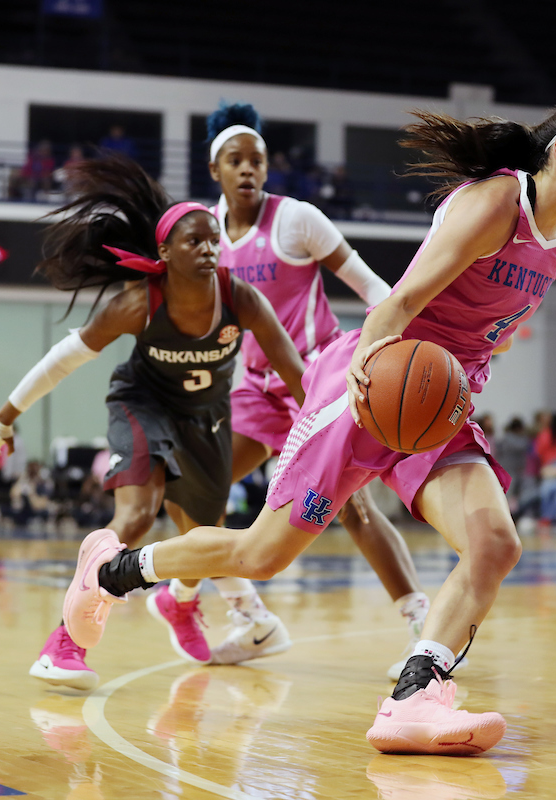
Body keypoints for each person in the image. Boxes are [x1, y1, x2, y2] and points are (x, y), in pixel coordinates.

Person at [60, 96, 556, 754]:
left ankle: (413, 700)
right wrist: (361, 372)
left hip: (434, 404)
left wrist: (474, 367)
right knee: (261, 554)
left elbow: (486, 326)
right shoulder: (497, 203)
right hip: (372, 379)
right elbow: (404, 297)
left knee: (494, 545)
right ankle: (110, 573)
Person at [0, 153, 307, 692]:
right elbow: (63, 358)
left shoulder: (240, 298)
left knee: (204, 536)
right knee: (135, 514)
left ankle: (179, 606)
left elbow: (299, 379)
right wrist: (3, 418)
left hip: (206, 419)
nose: (207, 249)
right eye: (193, 242)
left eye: (213, 240)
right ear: (164, 252)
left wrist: (334, 440)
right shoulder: (138, 303)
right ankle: (65, 644)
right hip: (141, 404)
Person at [203, 102, 430, 676]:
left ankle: (421, 624)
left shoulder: (297, 219)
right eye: (236, 160)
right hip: (256, 386)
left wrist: (398, 341)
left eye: (257, 159)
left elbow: (372, 285)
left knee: (352, 507)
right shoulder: (204, 234)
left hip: (316, 379)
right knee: (197, 491)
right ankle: (251, 619)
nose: (249, 169)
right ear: (217, 171)